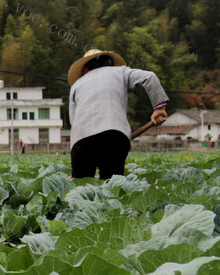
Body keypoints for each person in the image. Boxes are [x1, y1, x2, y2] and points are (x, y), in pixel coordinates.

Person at [67, 49, 168, 179]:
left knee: (82, 185)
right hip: (114, 136)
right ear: (110, 62)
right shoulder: (120, 72)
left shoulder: (77, 85)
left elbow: (73, 121)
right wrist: (159, 108)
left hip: (82, 139)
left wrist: (78, 169)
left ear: (85, 68)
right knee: (111, 183)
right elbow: (149, 77)